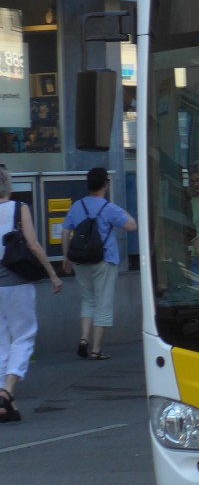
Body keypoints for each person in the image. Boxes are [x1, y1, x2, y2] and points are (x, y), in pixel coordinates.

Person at [0, 163, 63, 423]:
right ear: (8, 185)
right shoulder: (18, 208)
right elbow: (34, 245)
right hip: (17, 282)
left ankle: (3, 402)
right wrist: (52, 273)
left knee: (1, 341)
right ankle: (8, 390)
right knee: (24, 336)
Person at [61, 167, 137, 361]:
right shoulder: (108, 208)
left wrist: (66, 257)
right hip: (105, 260)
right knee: (103, 303)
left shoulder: (77, 206)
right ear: (106, 184)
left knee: (88, 300)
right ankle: (96, 350)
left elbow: (64, 231)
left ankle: (84, 339)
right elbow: (131, 225)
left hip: (80, 260)